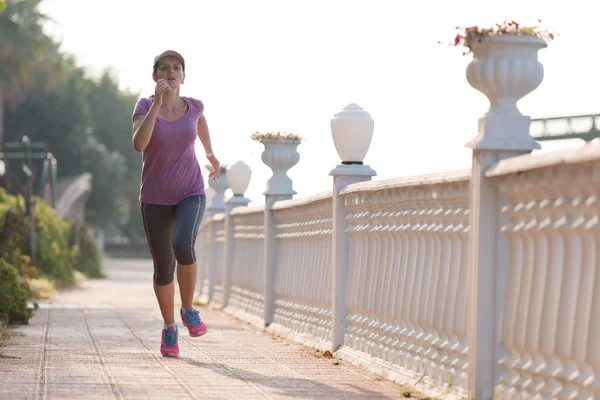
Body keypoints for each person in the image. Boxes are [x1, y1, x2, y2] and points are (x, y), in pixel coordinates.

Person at [131, 50, 220, 357]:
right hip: (154, 197)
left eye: (176, 68)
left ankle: (189, 309)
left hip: (190, 191)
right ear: (155, 76)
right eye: (164, 68)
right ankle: (170, 328)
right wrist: (157, 102)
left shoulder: (194, 106)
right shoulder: (144, 105)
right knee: (163, 268)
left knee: (183, 244)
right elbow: (139, 144)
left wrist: (209, 153)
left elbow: (201, 122)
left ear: (184, 76)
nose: (171, 72)